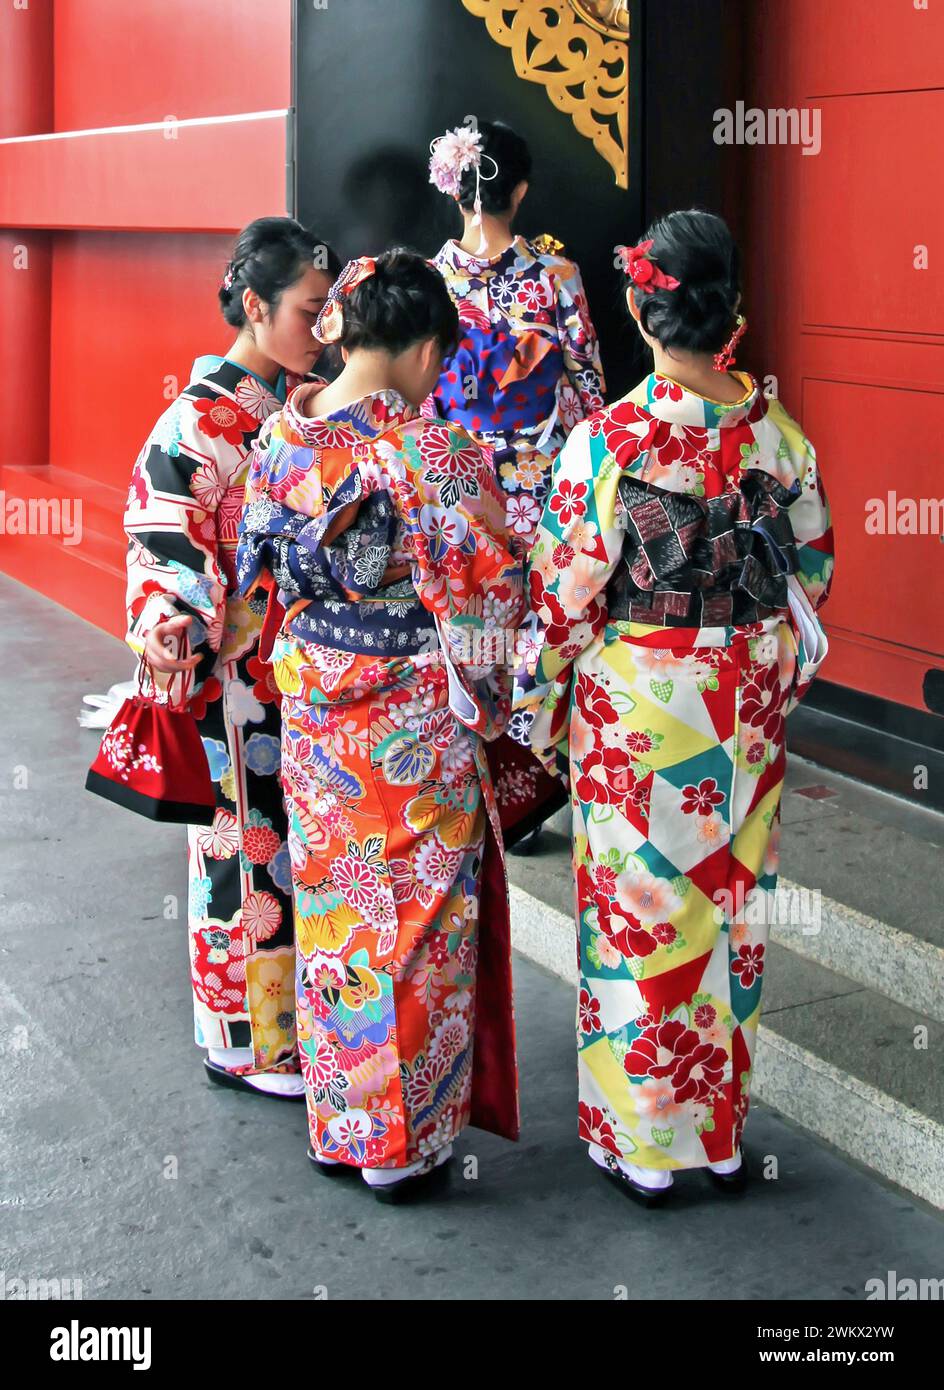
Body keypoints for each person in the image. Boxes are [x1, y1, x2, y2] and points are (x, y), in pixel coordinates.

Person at [514, 210, 834, 1204]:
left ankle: (646, 1144)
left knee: (641, 914)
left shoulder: (609, 442)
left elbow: (564, 597)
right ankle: (720, 1133)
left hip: (641, 710)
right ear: (728, 306)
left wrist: (532, 702)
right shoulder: (776, 436)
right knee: (727, 910)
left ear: (639, 307)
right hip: (741, 701)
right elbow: (812, 572)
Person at [237, 248, 524, 1200]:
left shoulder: (284, 433)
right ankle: (400, 1150)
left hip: (319, 700)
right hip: (410, 717)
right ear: (422, 349)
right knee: (419, 923)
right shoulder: (430, 451)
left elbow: (255, 563)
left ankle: (341, 1124)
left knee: (337, 913)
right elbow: (496, 577)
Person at [124, 217, 341, 1099]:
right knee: (244, 853)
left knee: (290, 850)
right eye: (309, 310)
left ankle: (286, 1030)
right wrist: (189, 623)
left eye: (330, 312)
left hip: (301, 676)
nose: (323, 330)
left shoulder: (297, 411)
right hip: (237, 682)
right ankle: (246, 1040)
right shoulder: (195, 425)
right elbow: (161, 541)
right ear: (255, 307)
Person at [429, 118, 605, 851]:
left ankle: (474, 782)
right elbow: (590, 384)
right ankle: (529, 787)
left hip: (458, 480)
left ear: (456, 189)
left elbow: (417, 390)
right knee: (539, 626)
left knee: (470, 622)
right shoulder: (557, 278)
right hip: (542, 477)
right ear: (521, 190)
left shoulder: (428, 280)